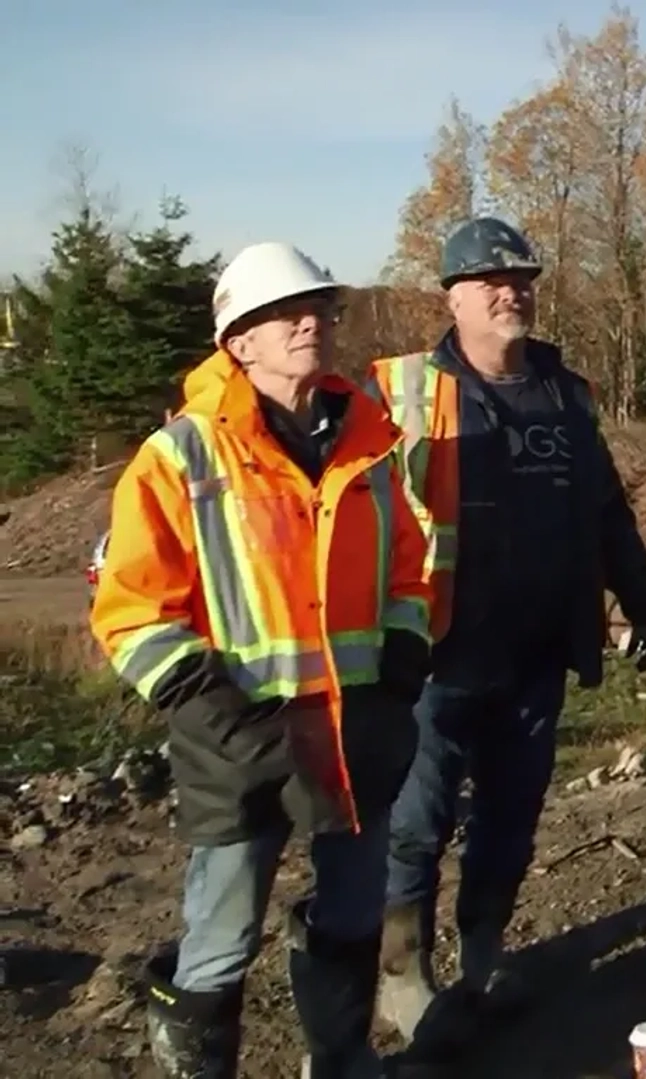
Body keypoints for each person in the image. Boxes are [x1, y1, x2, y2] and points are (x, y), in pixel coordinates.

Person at [91, 242, 432, 1078]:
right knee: (223, 929)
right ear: (238, 342)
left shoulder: (369, 441)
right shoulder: (182, 456)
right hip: (235, 733)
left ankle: (341, 1059)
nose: (310, 322)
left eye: (317, 308)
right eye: (286, 314)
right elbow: (132, 606)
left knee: (352, 911)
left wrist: (402, 654)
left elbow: (410, 567)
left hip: (353, 726)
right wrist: (199, 698)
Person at [364, 216, 646, 1054]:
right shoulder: (404, 393)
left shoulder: (564, 393)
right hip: (436, 655)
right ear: (452, 295)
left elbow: (604, 506)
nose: (512, 292)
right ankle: (400, 972)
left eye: (523, 278)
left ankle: (484, 955)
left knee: (512, 816)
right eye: (491, 280)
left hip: (537, 651)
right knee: (417, 821)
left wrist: (643, 600)